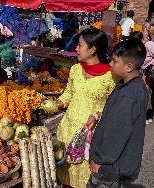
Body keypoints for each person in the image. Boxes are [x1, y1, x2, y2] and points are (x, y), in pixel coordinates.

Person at [56, 28, 116, 188]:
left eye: (80, 45)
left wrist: (97, 115)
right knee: (65, 179)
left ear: (92, 49)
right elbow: (68, 95)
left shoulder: (111, 76)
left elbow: (115, 108)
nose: (76, 48)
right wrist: (55, 104)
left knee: (85, 179)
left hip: (90, 137)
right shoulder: (75, 70)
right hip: (67, 131)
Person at [86, 38, 148, 188]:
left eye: (114, 61)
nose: (110, 64)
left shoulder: (129, 94)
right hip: (116, 164)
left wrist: (100, 159)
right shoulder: (131, 86)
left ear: (129, 67)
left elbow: (117, 132)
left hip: (111, 167)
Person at [130, 32, 154, 122]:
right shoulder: (138, 47)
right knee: (143, 93)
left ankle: (148, 114)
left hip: (149, 72)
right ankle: (145, 114)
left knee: (147, 93)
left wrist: (152, 67)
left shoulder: (149, 45)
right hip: (141, 72)